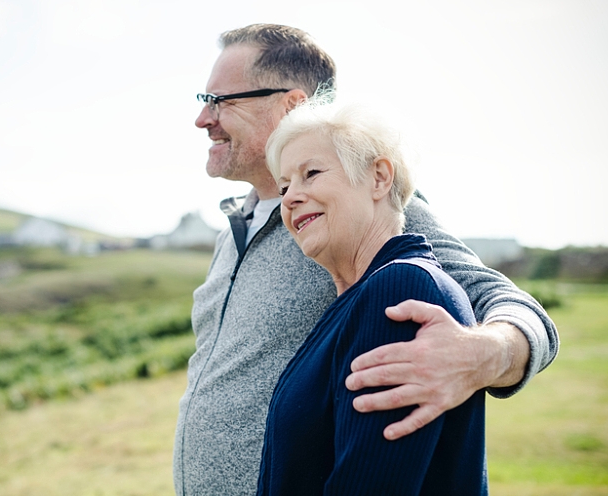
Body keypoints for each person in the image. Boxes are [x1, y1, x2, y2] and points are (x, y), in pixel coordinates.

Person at [174, 24, 558, 496]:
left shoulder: (365, 208)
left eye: (219, 100)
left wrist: (487, 354)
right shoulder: (234, 230)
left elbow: (502, 300)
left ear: (292, 105)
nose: (203, 118)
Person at [257, 98, 485, 495]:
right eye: (284, 185)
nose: (290, 197)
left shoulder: (400, 290)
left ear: (379, 178)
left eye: (311, 173)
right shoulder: (359, 300)